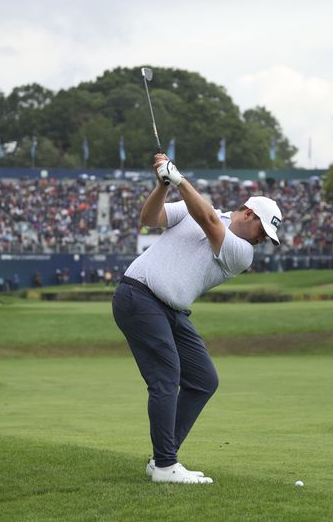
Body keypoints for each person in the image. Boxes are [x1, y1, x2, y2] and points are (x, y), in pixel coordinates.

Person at [112, 153, 282, 485]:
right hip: (139, 295)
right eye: (263, 231)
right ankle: (165, 466)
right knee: (166, 376)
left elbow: (208, 220)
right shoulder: (200, 210)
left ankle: (162, 457)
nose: (263, 241)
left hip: (170, 310)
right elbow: (150, 217)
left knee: (203, 379)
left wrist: (178, 179)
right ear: (248, 213)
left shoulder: (242, 253)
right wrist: (163, 185)